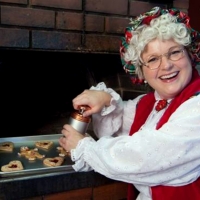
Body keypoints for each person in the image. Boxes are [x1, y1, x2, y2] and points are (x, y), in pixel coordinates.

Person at [59, 6, 200, 200]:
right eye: (153, 59)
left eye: (174, 52)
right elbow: (126, 120)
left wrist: (84, 148)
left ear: (190, 55)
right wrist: (106, 99)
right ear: (141, 71)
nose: (166, 65)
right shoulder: (151, 102)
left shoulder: (196, 108)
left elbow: (144, 156)